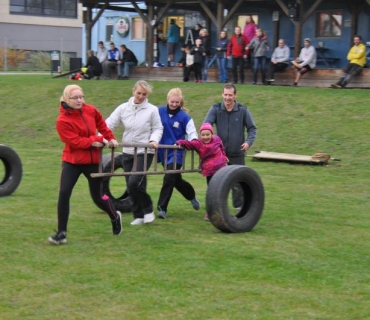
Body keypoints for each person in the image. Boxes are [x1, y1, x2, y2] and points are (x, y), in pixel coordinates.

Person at [48, 85, 121, 245]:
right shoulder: (62, 121)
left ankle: (115, 216)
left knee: (98, 197)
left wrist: (110, 138)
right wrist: (97, 140)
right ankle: (61, 233)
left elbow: (103, 126)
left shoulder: (91, 110)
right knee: (64, 193)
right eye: (75, 98)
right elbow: (75, 142)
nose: (80, 100)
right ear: (66, 99)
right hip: (72, 162)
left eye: (81, 96)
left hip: (92, 162)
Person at [105, 80, 163, 226]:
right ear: (133, 92)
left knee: (133, 182)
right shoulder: (123, 108)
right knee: (133, 185)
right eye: (139, 93)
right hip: (127, 151)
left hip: (145, 151)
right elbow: (108, 124)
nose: (141, 96)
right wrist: (101, 137)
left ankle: (148, 208)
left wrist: (154, 140)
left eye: (144, 94)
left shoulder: (152, 110)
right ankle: (139, 215)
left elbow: (158, 128)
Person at [203, 83, 257, 208]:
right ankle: (213, 207)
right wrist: (209, 138)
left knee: (238, 182)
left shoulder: (243, 110)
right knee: (214, 181)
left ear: (235, 95)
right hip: (218, 153)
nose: (227, 98)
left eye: (230, 95)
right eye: (225, 95)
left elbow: (252, 129)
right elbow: (206, 124)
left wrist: (248, 142)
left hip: (237, 153)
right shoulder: (215, 109)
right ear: (222, 94)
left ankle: (239, 209)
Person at [157, 88, 200, 219]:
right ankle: (191, 195)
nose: (174, 104)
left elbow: (192, 133)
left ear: (180, 101)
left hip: (177, 152)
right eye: (172, 102)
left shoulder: (184, 117)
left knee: (169, 177)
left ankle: (161, 208)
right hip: (163, 151)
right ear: (167, 100)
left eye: (177, 102)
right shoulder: (159, 111)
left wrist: (192, 142)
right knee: (176, 180)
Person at [176, 123, 228, 220]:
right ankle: (210, 212)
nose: (205, 137)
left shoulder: (216, 139)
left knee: (220, 191)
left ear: (212, 134)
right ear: (200, 135)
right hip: (210, 171)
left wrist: (224, 156)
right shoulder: (198, 143)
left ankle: (221, 211)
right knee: (211, 192)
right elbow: (189, 143)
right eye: (203, 135)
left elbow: (221, 148)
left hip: (220, 169)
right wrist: (179, 142)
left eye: (207, 134)